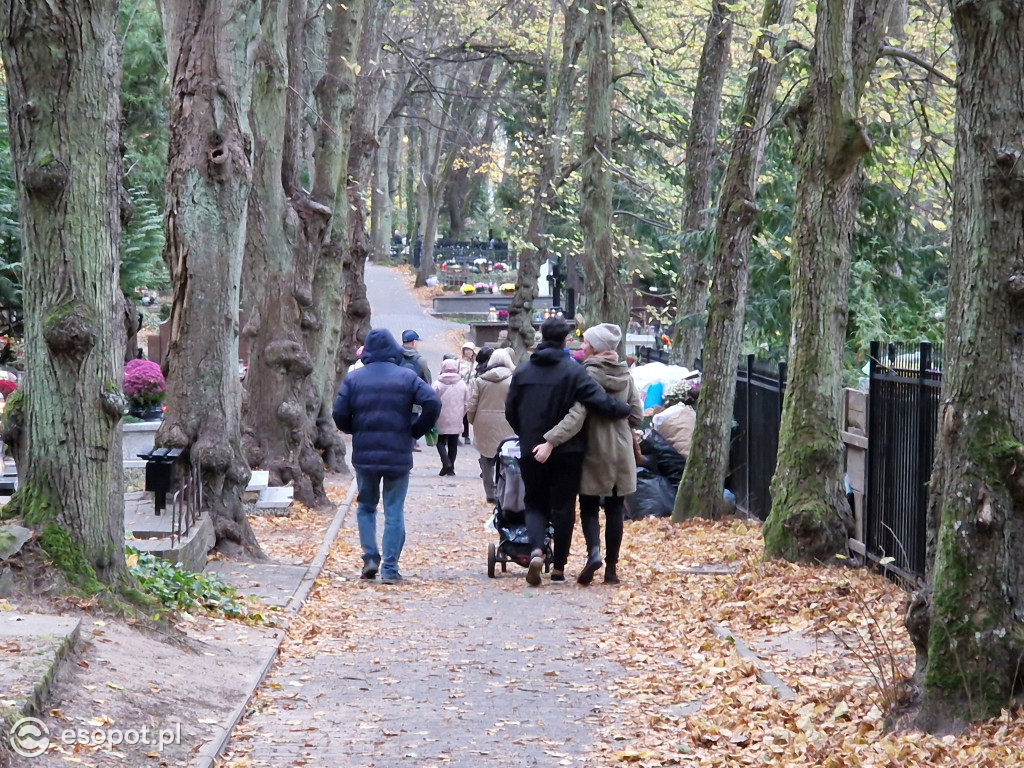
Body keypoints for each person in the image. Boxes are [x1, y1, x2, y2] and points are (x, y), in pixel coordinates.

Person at [505, 316, 631, 586]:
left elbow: (511, 410)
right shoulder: (574, 372)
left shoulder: (523, 371)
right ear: (564, 341)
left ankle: (537, 549)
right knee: (563, 508)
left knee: (535, 503)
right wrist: (623, 410)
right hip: (568, 451)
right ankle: (559, 567)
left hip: (532, 447)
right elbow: (596, 401)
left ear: (541, 336)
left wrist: (526, 435)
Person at [536, 323, 643, 585]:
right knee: (616, 509)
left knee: (589, 506)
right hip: (622, 451)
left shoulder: (587, 376)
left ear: (595, 347)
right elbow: (637, 415)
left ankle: (593, 553)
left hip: (595, 449)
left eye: (586, 342)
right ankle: (611, 570)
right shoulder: (626, 375)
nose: (581, 346)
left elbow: (577, 416)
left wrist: (550, 440)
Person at [332, 328, 441, 584]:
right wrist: (415, 430)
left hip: (365, 454)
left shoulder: (354, 379)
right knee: (394, 510)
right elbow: (433, 403)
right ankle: (390, 569)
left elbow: (338, 414)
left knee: (366, 507)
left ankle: (370, 557)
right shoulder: (407, 376)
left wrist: (353, 429)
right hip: (398, 453)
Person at [466, 347, 516, 504]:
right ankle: (505, 489)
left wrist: (473, 420)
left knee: (486, 459)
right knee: (507, 456)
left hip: (484, 421)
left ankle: (490, 492)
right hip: (508, 422)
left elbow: (472, 404)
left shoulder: (480, 381)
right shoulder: (514, 380)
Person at [432, 358, 469, 476]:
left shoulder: (437, 384)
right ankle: (451, 467)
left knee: (440, 441)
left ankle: (445, 462)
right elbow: (467, 402)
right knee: (453, 444)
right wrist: (462, 413)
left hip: (440, 417)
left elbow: (432, 400)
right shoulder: (462, 384)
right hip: (456, 417)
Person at [458, 342, 476, 444]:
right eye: (466, 349)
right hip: (460, 390)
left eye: (470, 349)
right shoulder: (459, 362)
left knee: (467, 414)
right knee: (459, 412)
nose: (468, 351)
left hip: (471, 391)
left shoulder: (476, 364)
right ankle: (457, 434)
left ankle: (466, 435)